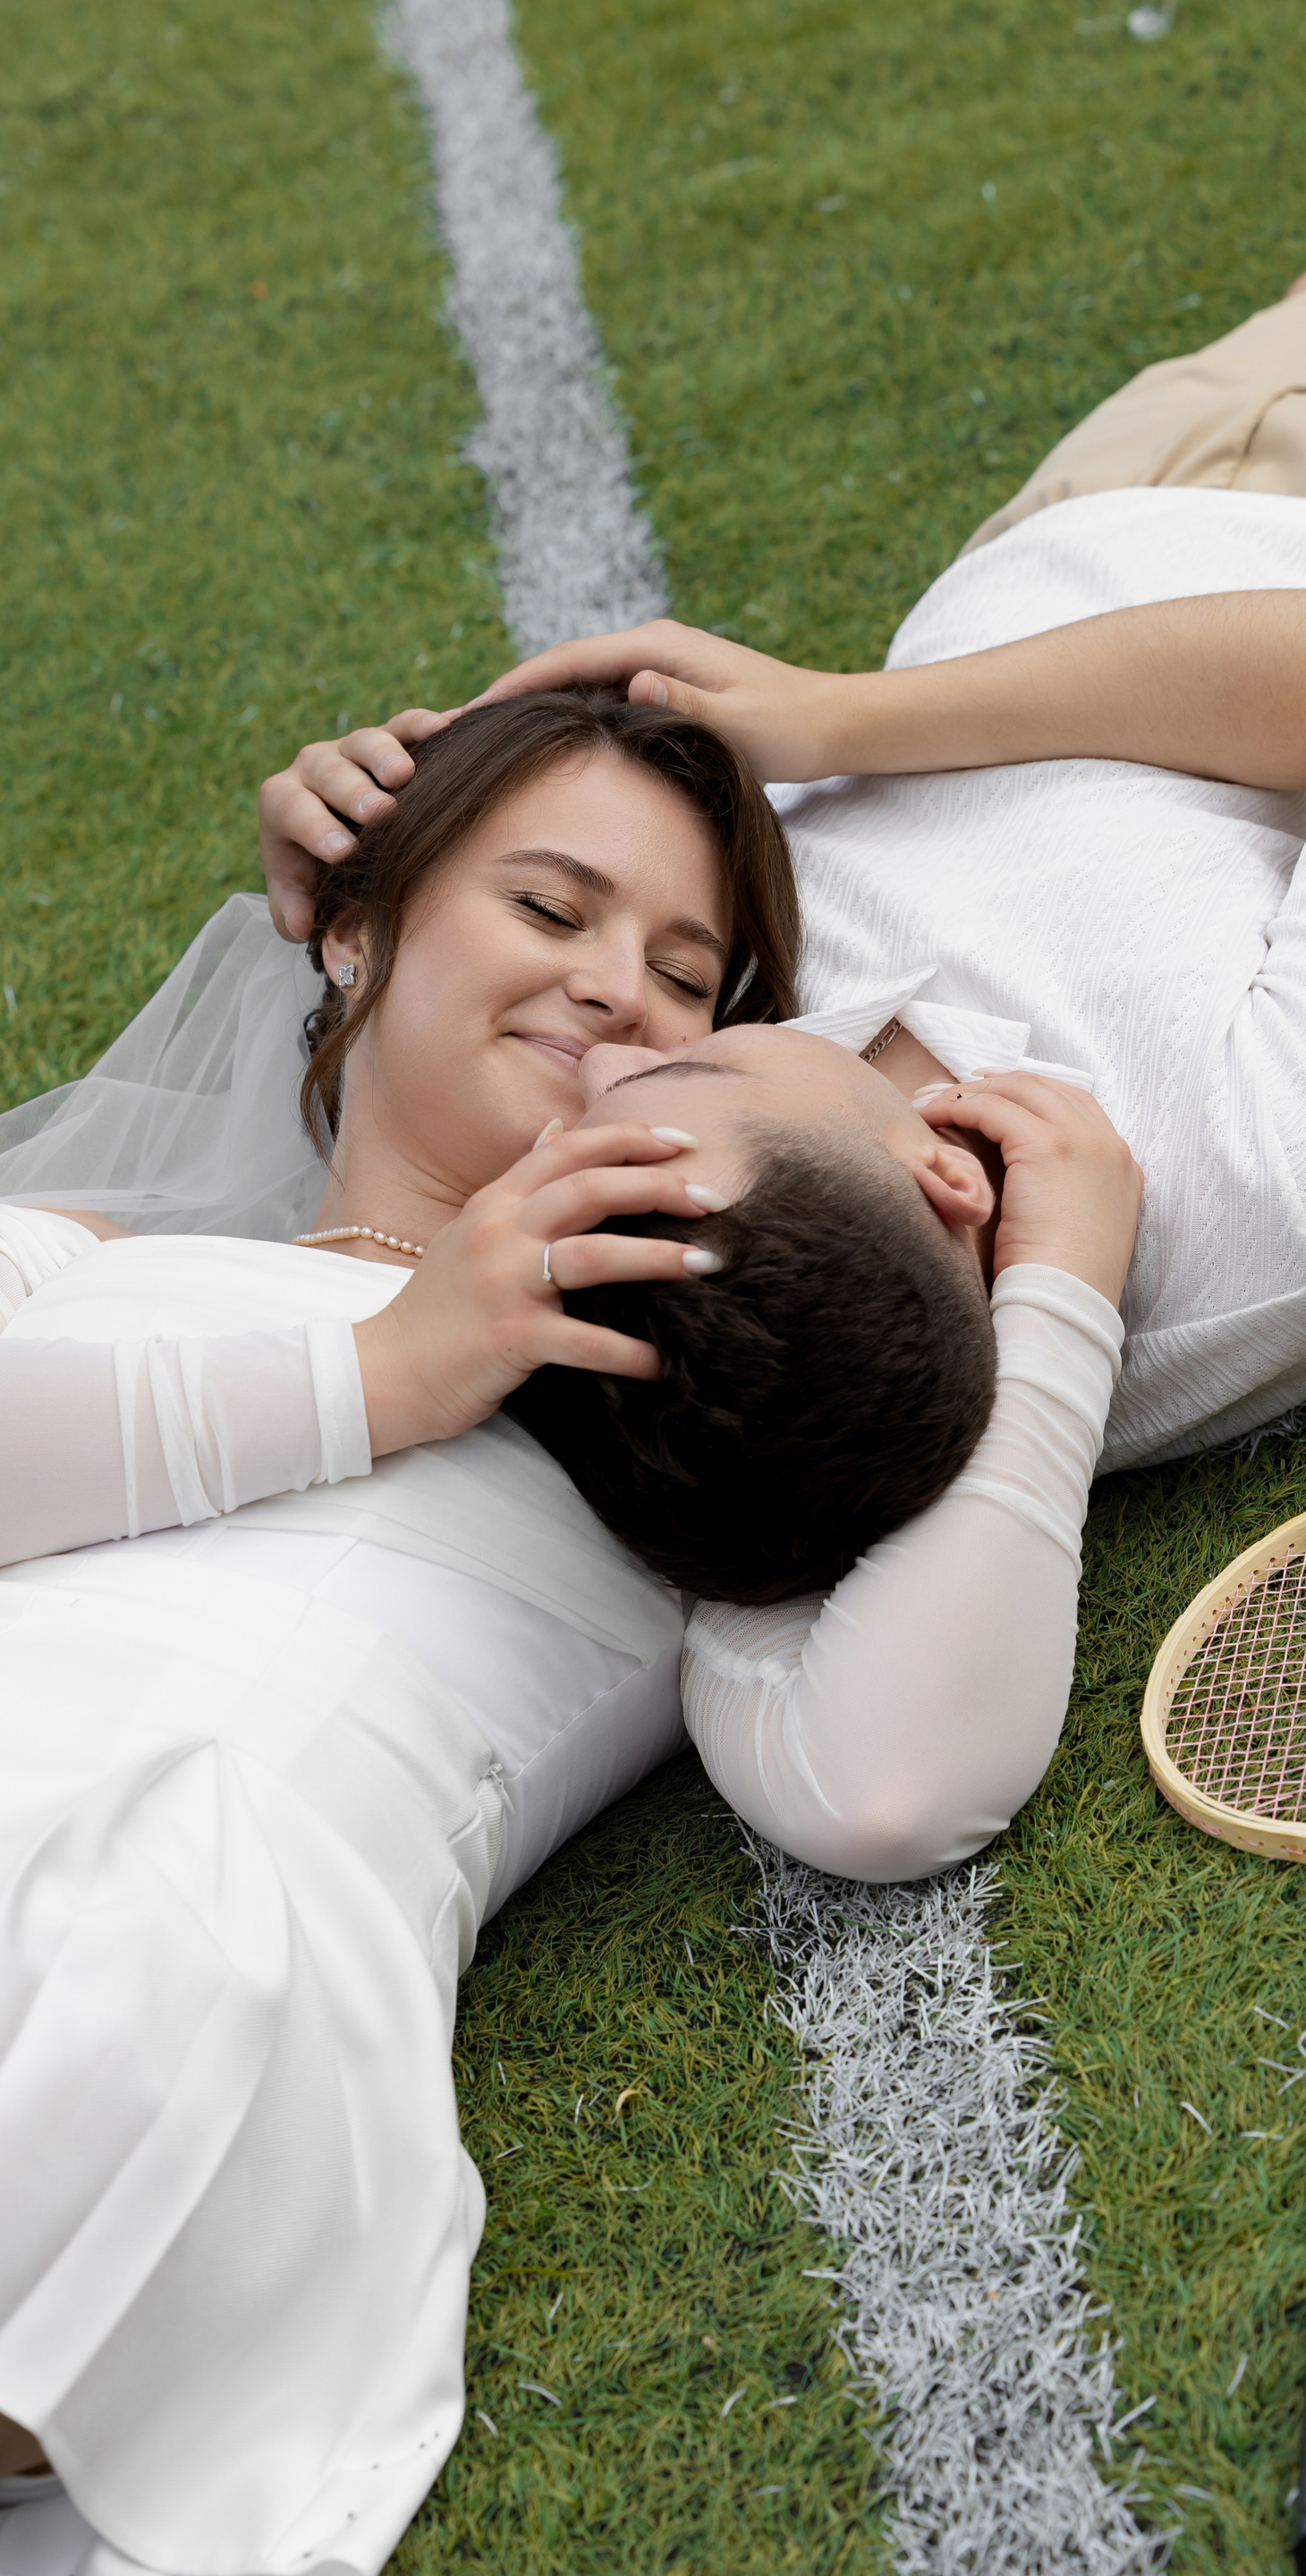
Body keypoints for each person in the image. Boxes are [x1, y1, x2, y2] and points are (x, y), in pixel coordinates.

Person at [266, 0, 1306, 1603]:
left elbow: (411, 1123)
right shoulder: (1296, 1201)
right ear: (944, 1176)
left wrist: (347, 848)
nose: (619, 1040)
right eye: (693, 1052)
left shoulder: (718, 1194)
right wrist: (844, 719)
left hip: (1087, 528)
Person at [0, 691, 1137, 2576]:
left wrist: (1058, 1307)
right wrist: (387, 1370)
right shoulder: (78, 1259)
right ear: (350, 934)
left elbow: (896, 1781)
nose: (619, 990)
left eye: (688, 979)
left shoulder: (664, 1428)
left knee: (150, 1931)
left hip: (190, 1952)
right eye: (549, 908)